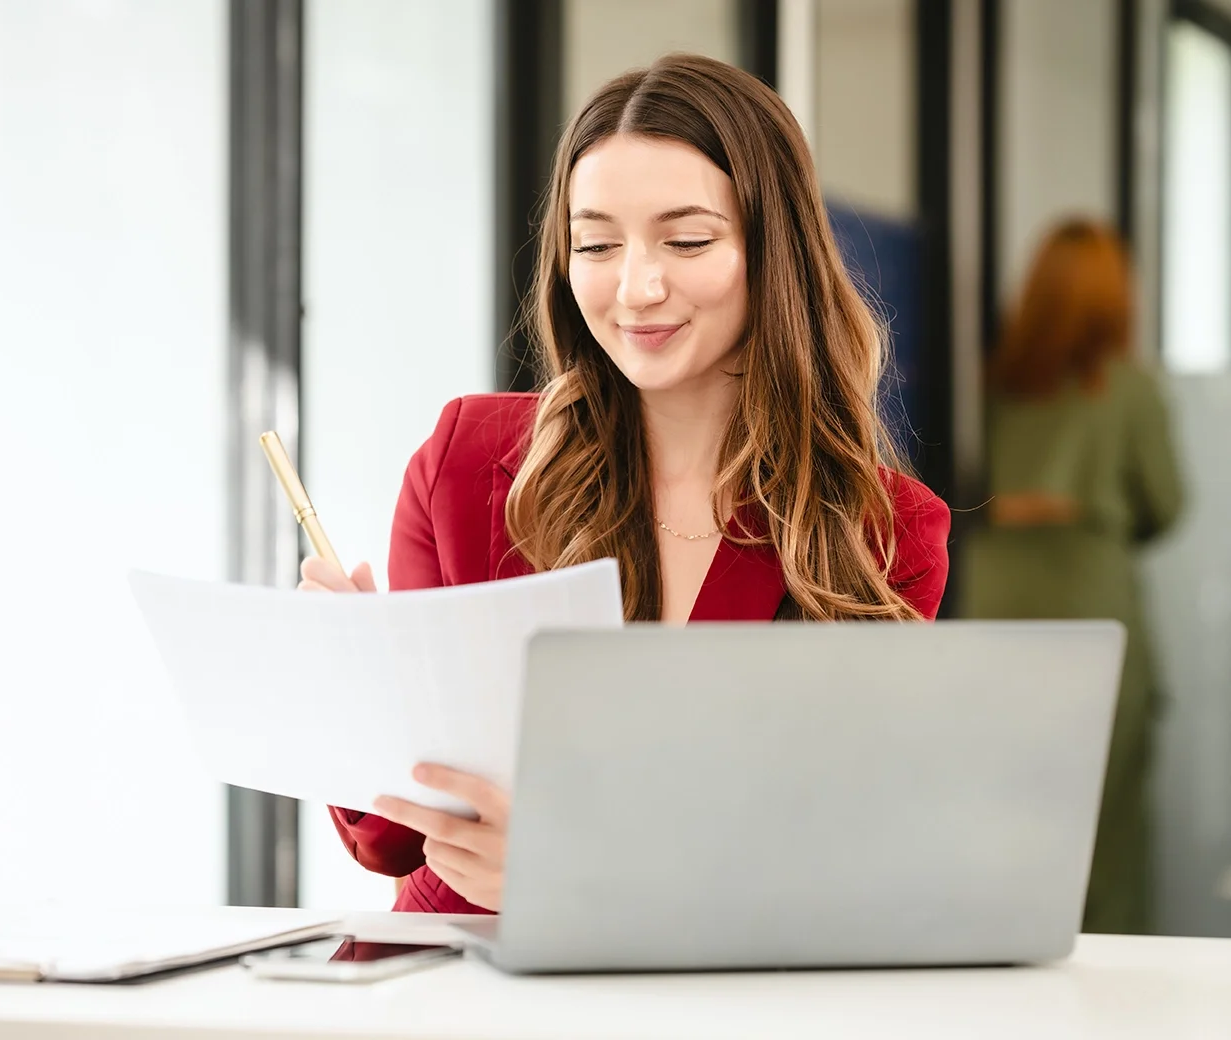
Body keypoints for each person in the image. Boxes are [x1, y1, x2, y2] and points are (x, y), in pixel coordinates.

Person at [300, 53, 951, 916]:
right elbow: (390, 842)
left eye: (687, 241)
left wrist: (568, 872)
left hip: (707, 993)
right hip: (452, 985)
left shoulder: (880, 533)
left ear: (773, 250)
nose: (636, 288)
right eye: (597, 244)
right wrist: (355, 682)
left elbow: (840, 863)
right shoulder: (466, 462)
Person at [960, 219, 1184, 935]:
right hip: (1094, 611)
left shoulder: (985, 384)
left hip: (992, 613)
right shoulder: (1129, 391)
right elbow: (1167, 505)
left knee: (1004, 821)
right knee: (1105, 832)